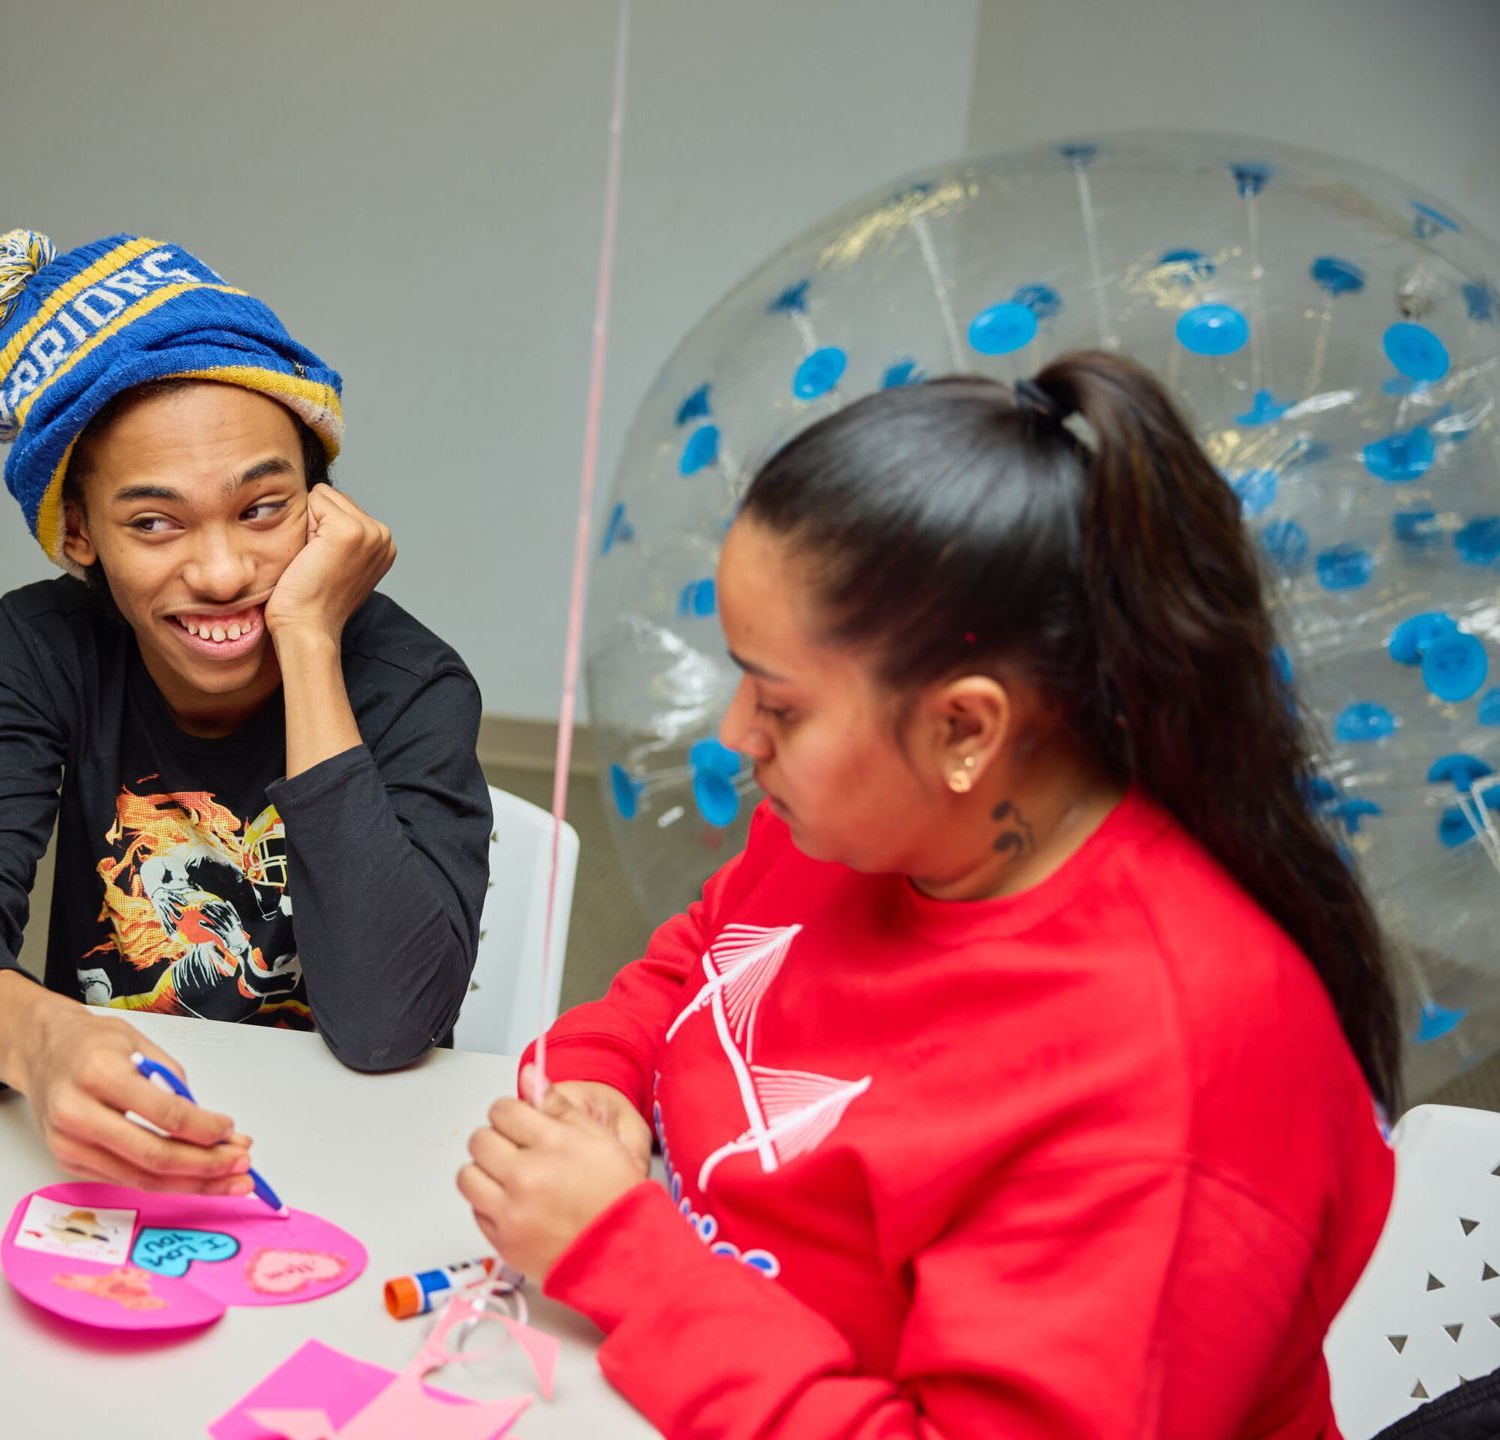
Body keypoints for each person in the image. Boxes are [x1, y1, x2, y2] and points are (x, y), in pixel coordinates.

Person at [459, 352, 1398, 1437]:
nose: (734, 737)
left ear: (965, 728)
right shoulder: (862, 826)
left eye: (778, 702)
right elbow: (705, 960)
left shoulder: (1176, 1082)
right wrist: (604, 1075)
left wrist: (625, 1252)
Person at [0, 230, 491, 1194]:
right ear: (77, 534)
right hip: (114, 1136)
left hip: (359, 1158)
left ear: (324, 509)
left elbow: (385, 1023)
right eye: (154, 523)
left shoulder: (412, 683)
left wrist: (312, 644)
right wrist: (44, 1040)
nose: (222, 574)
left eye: (263, 509)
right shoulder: (49, 651)